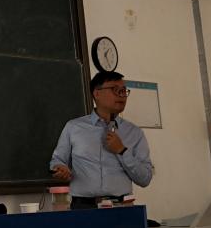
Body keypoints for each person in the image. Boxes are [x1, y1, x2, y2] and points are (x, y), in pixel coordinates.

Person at [49, 71, 154, 210]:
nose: (122, 95)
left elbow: (145, 179)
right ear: (97, 93)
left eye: (124, 91)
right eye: (115, 90)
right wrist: (59, 169)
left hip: (121, 207)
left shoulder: (134, 133)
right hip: (83, 207)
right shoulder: (74, 127)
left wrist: (122, 151)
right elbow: (57, 161)